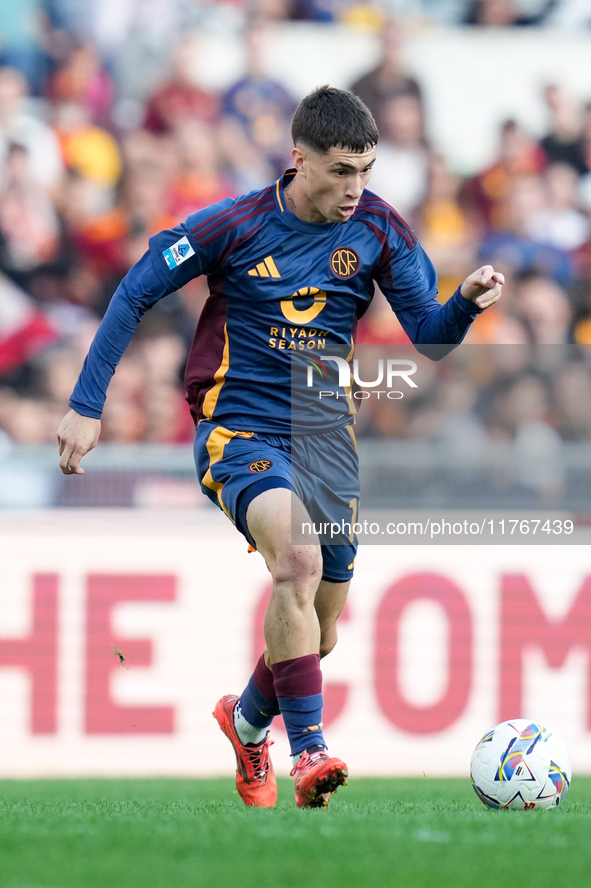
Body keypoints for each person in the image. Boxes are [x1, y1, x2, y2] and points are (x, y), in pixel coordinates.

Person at [56, 86, 503, 809]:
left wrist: (465, 304)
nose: (354, 188)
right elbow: (134, 290)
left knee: (318, 635)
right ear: (299, 161)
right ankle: (311, 751)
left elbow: (429, 336)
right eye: (338, 171)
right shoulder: (234, 224)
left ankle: (246, 721)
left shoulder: (381, 228)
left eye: (364, 170)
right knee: (296, 558)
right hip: (239, 431)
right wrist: (85, 405)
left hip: (326, 441)